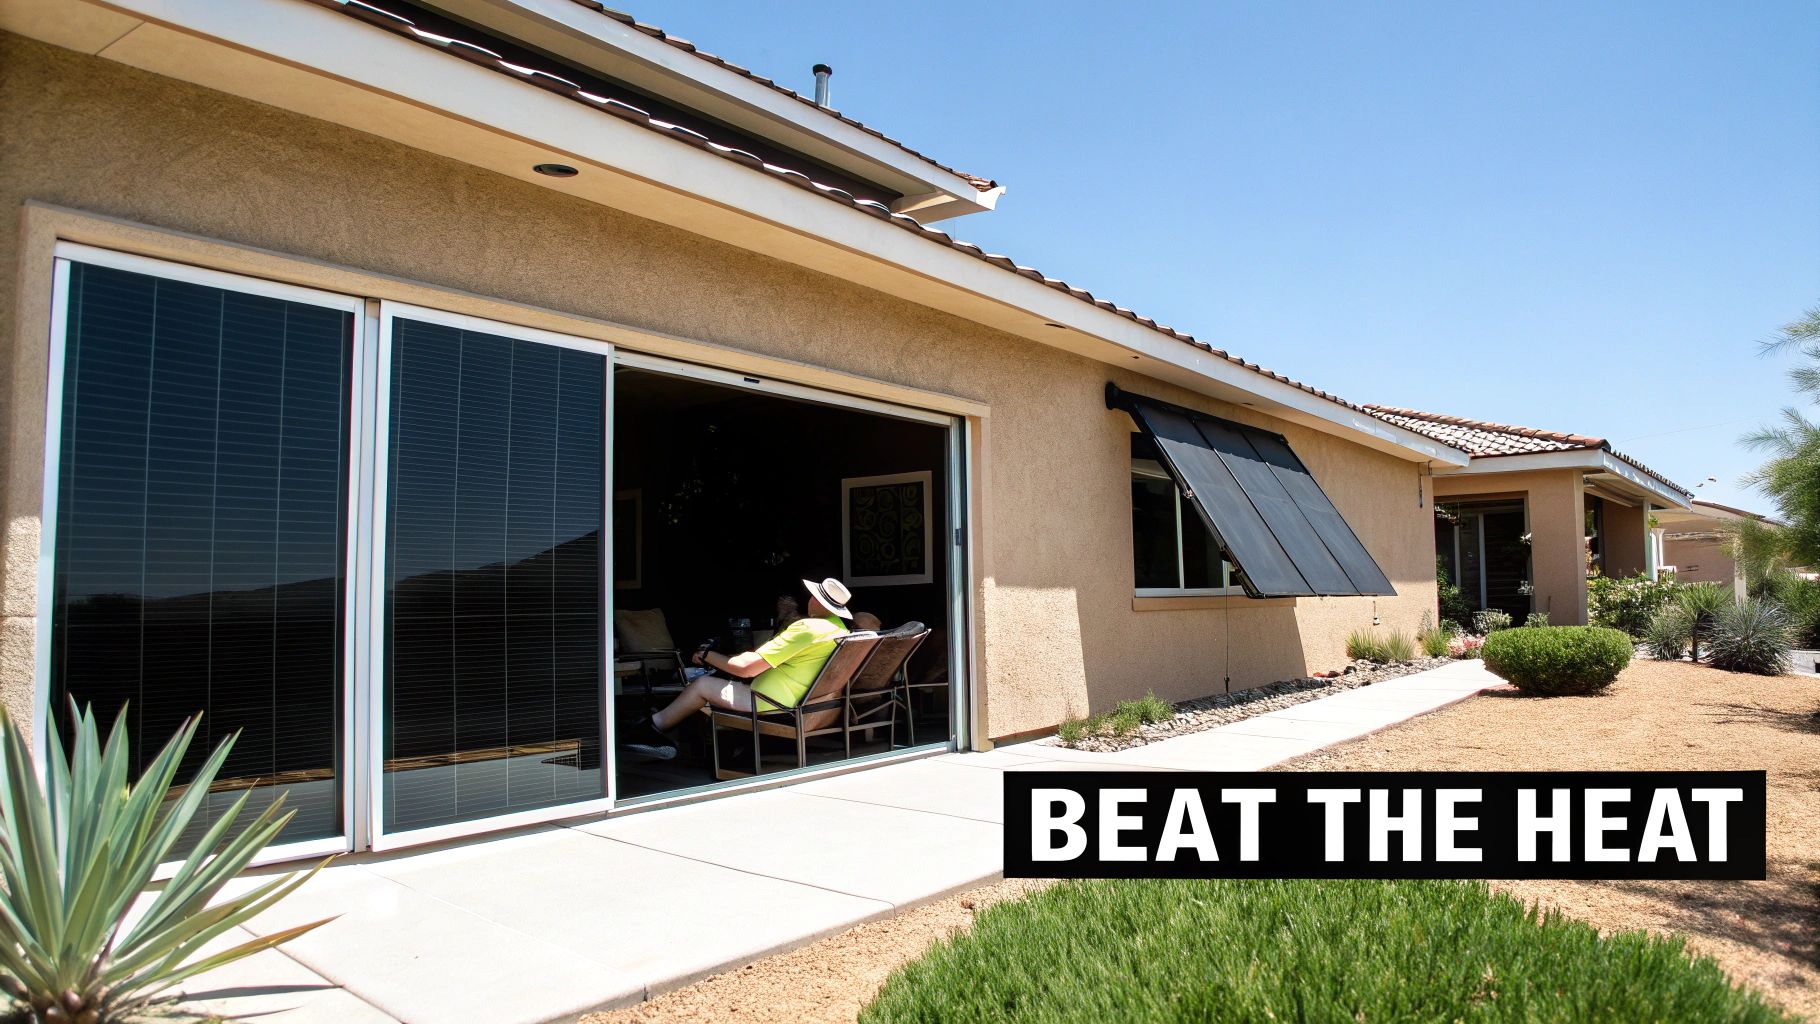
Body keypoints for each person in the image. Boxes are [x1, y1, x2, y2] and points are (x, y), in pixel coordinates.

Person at [622, 577, 853, 760]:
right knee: (721, 682)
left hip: (773, 703)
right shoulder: (840, 629)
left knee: (702, 685)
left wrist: (706, 655)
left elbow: (745, 668)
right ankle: (664, 733)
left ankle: (651, 729)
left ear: (816, 601)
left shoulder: (807, 628)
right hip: (810, 702)